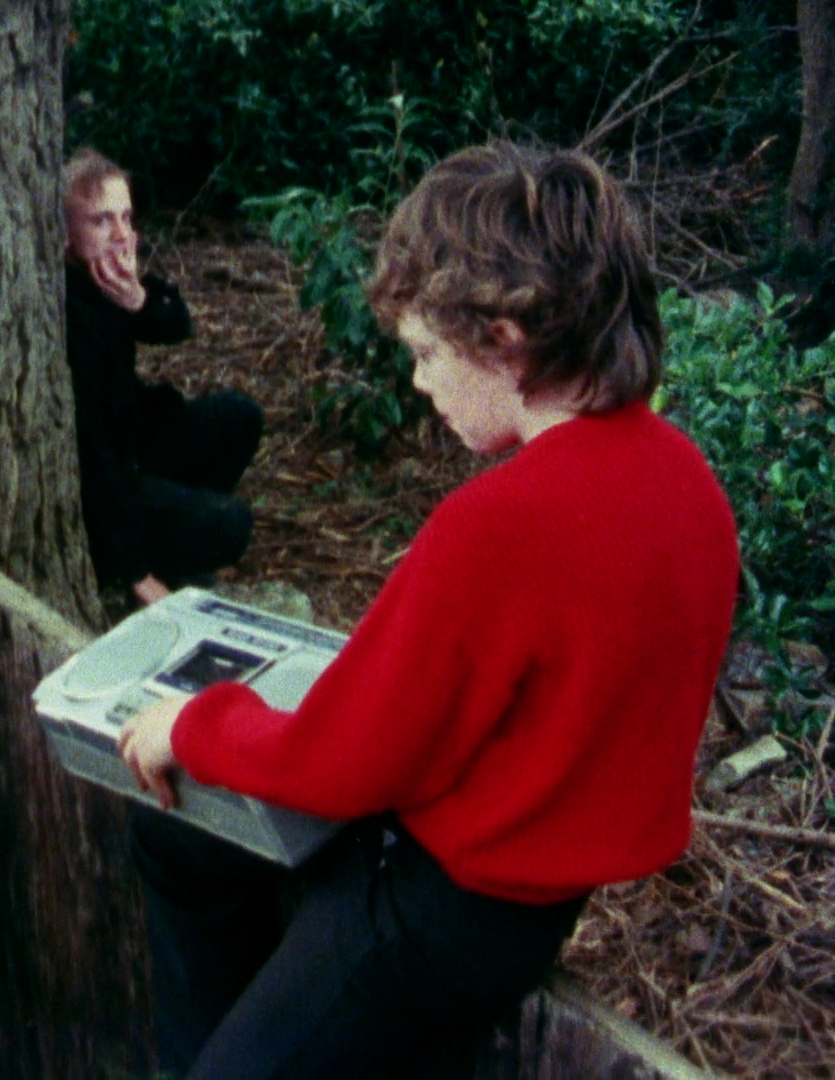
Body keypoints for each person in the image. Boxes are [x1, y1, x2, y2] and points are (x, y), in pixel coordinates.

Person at [116, 142, 741, 1078]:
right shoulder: (689, 482)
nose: (418, 383)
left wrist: (193, 722)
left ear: (504, 339)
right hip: (531, 896)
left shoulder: (501, 525)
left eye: (425, 354)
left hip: (436, 912)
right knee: (175, 837)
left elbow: (340, 763)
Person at [63, 147, 264, 607]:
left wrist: (137, 301)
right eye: (101, 221)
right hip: (105, 483)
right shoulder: (69, 309)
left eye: (126, 218)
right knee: (232, 523)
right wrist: (133, 569)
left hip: (136, 446)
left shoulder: (108, 281)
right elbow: (93, 454)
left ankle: (176, 529)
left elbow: (176, 322)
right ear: (64, 232)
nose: (121, 235)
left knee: (239, 416)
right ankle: (151, 557)